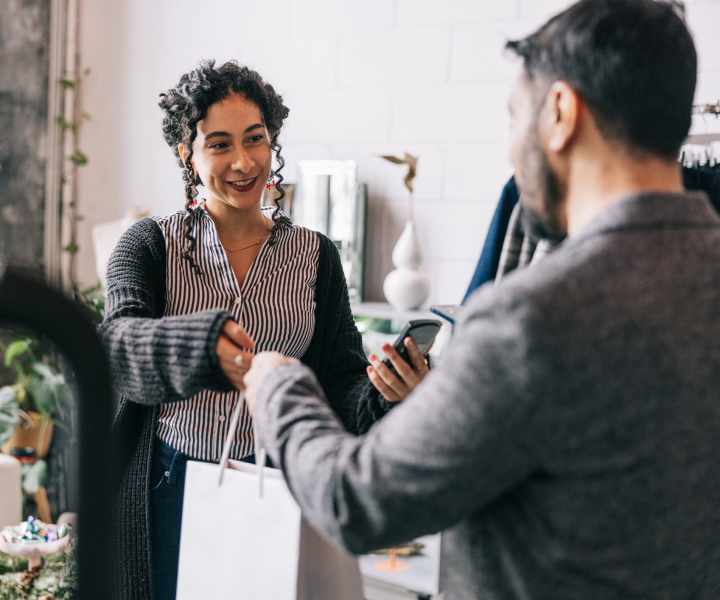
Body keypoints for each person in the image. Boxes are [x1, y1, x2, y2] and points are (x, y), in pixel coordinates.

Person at [243, 1, 720, 598]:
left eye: (515, 114)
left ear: (560, 112)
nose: (511, 149)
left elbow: (354, 504)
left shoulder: (529, 320)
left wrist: (278, 386)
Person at [100, 60, 430, 600]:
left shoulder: (315, 255)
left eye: (255, 139)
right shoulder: (149, 245)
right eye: (220, 144)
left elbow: (340, 386)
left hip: (278, 484)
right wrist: (203, 348)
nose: (243, 162)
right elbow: (117, 347)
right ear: (187, 152)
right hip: (170, 481)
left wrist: (385, 391)